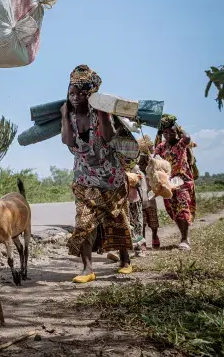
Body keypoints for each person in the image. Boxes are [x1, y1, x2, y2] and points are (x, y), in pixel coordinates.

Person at [61, 65, 133, 283]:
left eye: (79, 93)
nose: (74, 97)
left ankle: (125, 260)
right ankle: (87, 268)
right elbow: (68, 141)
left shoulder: (99, 113)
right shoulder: (70, 115)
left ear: (90, 95)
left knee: (117, 218)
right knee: (83, 222)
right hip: (84, 179)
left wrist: (103, 112)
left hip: (110, 179)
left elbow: (109, 137)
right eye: (71, 93)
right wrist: (64, 116)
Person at [154, 114, 196, 250]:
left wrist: (178, 127)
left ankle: (184, 239)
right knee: (173, 210)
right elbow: (154, 160)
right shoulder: (161, 147)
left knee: (183, 208)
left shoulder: (181, 143)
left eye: (171, 131)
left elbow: (187, 137)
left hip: (183, 182)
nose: (168, 134)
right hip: (168, 184)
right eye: (165, 132)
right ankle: (184, 235)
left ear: (176, 131)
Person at [138, 136, 161, 249]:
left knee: (153, 218)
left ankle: (155, 236)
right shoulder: (137, 164)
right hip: (140, 195)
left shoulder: (153, 161)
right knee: (141, 220)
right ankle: (142, 241)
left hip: (150, 195)